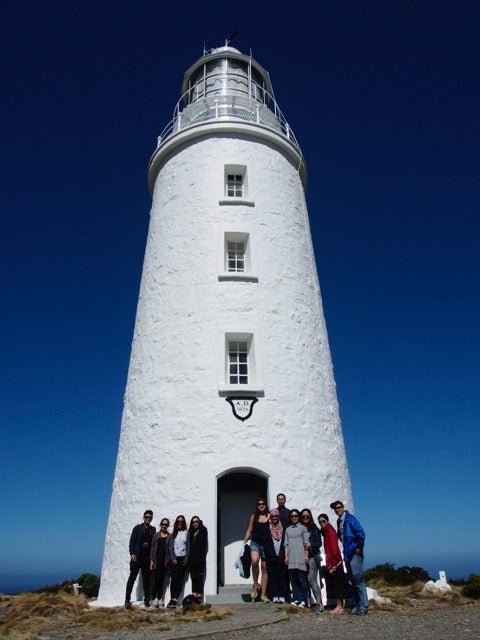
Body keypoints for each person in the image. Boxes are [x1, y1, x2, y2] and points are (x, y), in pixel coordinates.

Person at [330, 500, 368, 615]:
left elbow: (361, 533)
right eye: (335, 508)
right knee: (352, 580)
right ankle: (357, 604)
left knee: (358, 579)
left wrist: (358, 547)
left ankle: (364, 606)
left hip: (354, 553)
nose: (337, 510)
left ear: (343, 507)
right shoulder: (339, 521)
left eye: (339, 507)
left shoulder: (350, 519)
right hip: (347, 553)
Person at [125, 510, 156, 608]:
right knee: (132, 578)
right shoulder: (137, 528)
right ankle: (127, 599)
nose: (148, 519)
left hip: (146, 558)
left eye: (150, 517)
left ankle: (147, 599)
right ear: (143, 517)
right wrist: (132, 553)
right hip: (137, 557)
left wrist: (152, 558)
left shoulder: (153, 529)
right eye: (146, 517)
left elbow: (153, 544)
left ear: (151, 518)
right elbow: (132, 541)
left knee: (147, 580)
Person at [243, 498, 271, 602]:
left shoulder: (269, 516)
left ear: (265, 505)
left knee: (264, 568)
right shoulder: (254, 517)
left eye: (263, 504)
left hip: (266, 544)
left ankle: (263, 594)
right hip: (255, 542)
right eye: (259, 504)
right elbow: (249, 530)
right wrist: (244, 543)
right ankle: (255, 585)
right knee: (254, 561)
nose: (261, 505)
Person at [318, 513, 346, 615]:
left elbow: (334, 549)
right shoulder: (326, 532)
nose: (322, 523)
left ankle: (340, 606)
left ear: (328, 521)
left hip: (336, 563)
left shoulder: (330, 531)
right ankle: (339, 605)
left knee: (339, 585)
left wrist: (333, 565)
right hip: (332, 562)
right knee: (336, 585)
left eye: (323, 521)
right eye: (320, 522)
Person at [284, 509, 309, 607]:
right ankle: (296, 598)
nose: (294, 517)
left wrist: (306, 555)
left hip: (300, 556)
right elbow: (286, 544)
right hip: (291, 557)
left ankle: (304, 599)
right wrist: (286, 556)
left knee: (302, 579)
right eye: (292, 516)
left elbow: (306, 543)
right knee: (293, 580)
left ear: (298, 517)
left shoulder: (303, 528)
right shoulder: (287, 529)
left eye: (296, 516)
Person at [300, 508, 323, 613]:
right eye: (303, 516)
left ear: (310, 517)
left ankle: (319, 603)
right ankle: (308, 602)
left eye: (307, 516)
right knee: (304, 580)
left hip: (312, 556)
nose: (305, 517)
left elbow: (319, 543)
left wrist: (311, 545)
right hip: (301, 556)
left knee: (312, 579)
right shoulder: (299, 528)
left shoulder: (314, 529)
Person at [265, 508, 289, 603]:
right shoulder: (267, 527)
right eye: (272, 516)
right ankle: (274, 594)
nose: (274, 518)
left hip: (282, 553)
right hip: (271, 554)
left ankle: (283, 595)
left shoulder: (283, 526)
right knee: (273, 575)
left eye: (276, 516)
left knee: (283, 575)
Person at [167, 514, 190, 608]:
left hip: (182, 558)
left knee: (180, 580)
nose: (180, 523)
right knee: (174, 579)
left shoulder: (186, 533)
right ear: (176, 523)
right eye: (178, 521)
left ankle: (176, 599)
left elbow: (188, 546)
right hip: (175, 559)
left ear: (183, 523)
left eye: (181, 521)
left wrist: (186, 559)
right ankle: (172, 599)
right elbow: (170, 547)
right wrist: (172, 558)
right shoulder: (173, 534)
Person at [150, 517, 170, 607]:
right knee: (155, 581)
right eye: (163, 524)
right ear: (160, 525)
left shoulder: (169, 536)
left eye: (166, 524)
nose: (164, 526)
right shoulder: (156, 535)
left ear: (168, 526)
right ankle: (153, 598)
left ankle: (160, 599)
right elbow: (152, 548)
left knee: (162, 581)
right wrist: (151, 561)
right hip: (156, 561)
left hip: (164, 561)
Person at [188, 516, 208, 602]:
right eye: (193, 522)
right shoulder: (191, 533)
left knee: (200, 579)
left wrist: (201, 524)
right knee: (194, 578)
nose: (195, 523)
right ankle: (194, 596)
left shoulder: (202, 531)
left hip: (200, 560)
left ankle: (199, 598)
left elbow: (204, 530)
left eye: (197, 522)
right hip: (192, 560)